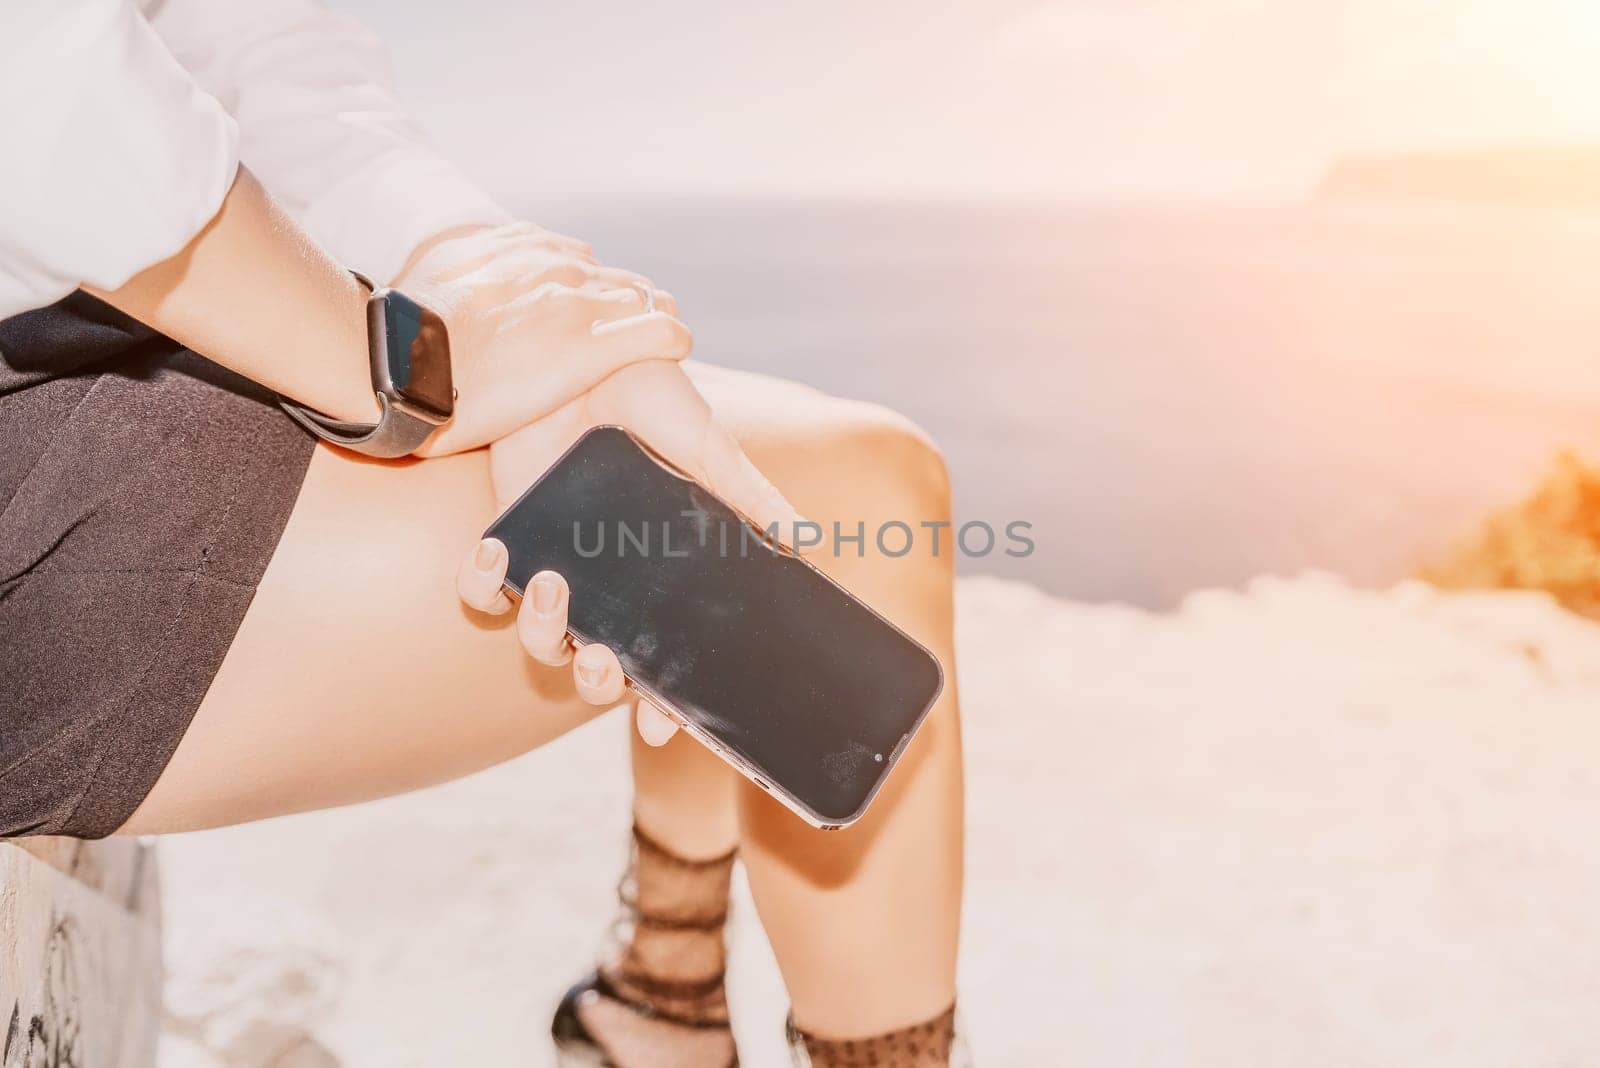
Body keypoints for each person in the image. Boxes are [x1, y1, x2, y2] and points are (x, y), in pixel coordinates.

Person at [0, 3, 967, 1065]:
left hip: (123, 320)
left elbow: (252, 44)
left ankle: (660, 997)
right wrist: (394, 369)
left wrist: (489, 280)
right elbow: (44, 92)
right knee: (852, 512)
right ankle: (659, 999)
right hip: (74, 391)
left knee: (740, 482)